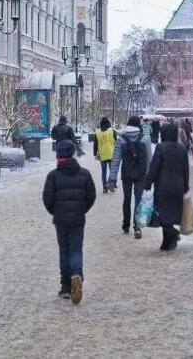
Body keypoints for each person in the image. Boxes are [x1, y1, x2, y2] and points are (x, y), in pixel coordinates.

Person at [42, 140, 96, 304]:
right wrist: (82, 209)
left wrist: (56, 211)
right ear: (73, 154)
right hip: (78, 219)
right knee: (76, 249)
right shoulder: (85, 174)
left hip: (60, 220)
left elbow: (47, 199)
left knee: (64, 250)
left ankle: (65, 286)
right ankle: (77, 274)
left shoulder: (53, 176)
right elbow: (91, 196)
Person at [145, 123, 190, 251]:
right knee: (170, 215)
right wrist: (186, 185)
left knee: (163, 215)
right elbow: (185, 169)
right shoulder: (182, 149)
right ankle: (167, 243)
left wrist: (148, 183)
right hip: (178, 187)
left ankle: (173, 234)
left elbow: (154, 167)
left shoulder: (160, 148)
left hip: (163, 187)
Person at [106, 115, 152, 238]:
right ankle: (136, 226)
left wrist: (112, 178)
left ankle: (125, 225)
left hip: (126, 174)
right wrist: (150, 176)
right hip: (141, 175)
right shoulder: (145, 139)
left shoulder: (121, 139)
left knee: (126, 199)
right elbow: (149, 159)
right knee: (138, 199)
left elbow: (115, 159)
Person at [92, 117, 116, 193]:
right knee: (112, 171)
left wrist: (95, 154)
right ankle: (109, 184)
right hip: (111, 154)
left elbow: (95, 144)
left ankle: (104, 188)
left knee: (103, 172)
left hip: (102, 155)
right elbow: (116, 141)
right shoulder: (112, 131)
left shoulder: (97, 132)